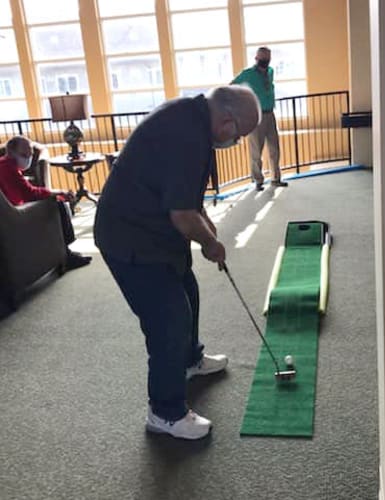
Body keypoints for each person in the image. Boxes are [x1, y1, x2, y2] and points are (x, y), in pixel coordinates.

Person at [94, 85, 261, 440]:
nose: (237, 141)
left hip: (157, 229)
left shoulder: (194, 118)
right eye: (241, 134)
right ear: (228, 121)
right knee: (168, 319)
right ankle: (165, 412)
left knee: (188, 289)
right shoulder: (186, 136)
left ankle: (188, 361)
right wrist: (211, 243)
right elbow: (183, 215)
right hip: (129, 237)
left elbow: (187, 199)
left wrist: (206, 226)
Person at [0, 136, 92, 270]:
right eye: (24, 154)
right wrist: (58, 193)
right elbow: (30, 193)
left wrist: (56, 193)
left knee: (56, 199)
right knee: (57, 204)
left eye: (30, 153)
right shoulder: (8, 168)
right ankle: (66, 254)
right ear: (11, 152)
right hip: (14, 217)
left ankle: (63, 252)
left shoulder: (4, 164)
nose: (29, 157)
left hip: (8, 214)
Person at [232, 46, 288, 191]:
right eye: (262, 58)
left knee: (274, 148)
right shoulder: (248, 74)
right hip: (256, 116)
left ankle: (276, 178)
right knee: (256, 150)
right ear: (256, 58)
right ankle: (258, 180)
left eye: (267, 59)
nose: (265, 61)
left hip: (270, 114)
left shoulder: (270, 72)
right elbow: (232, 87)